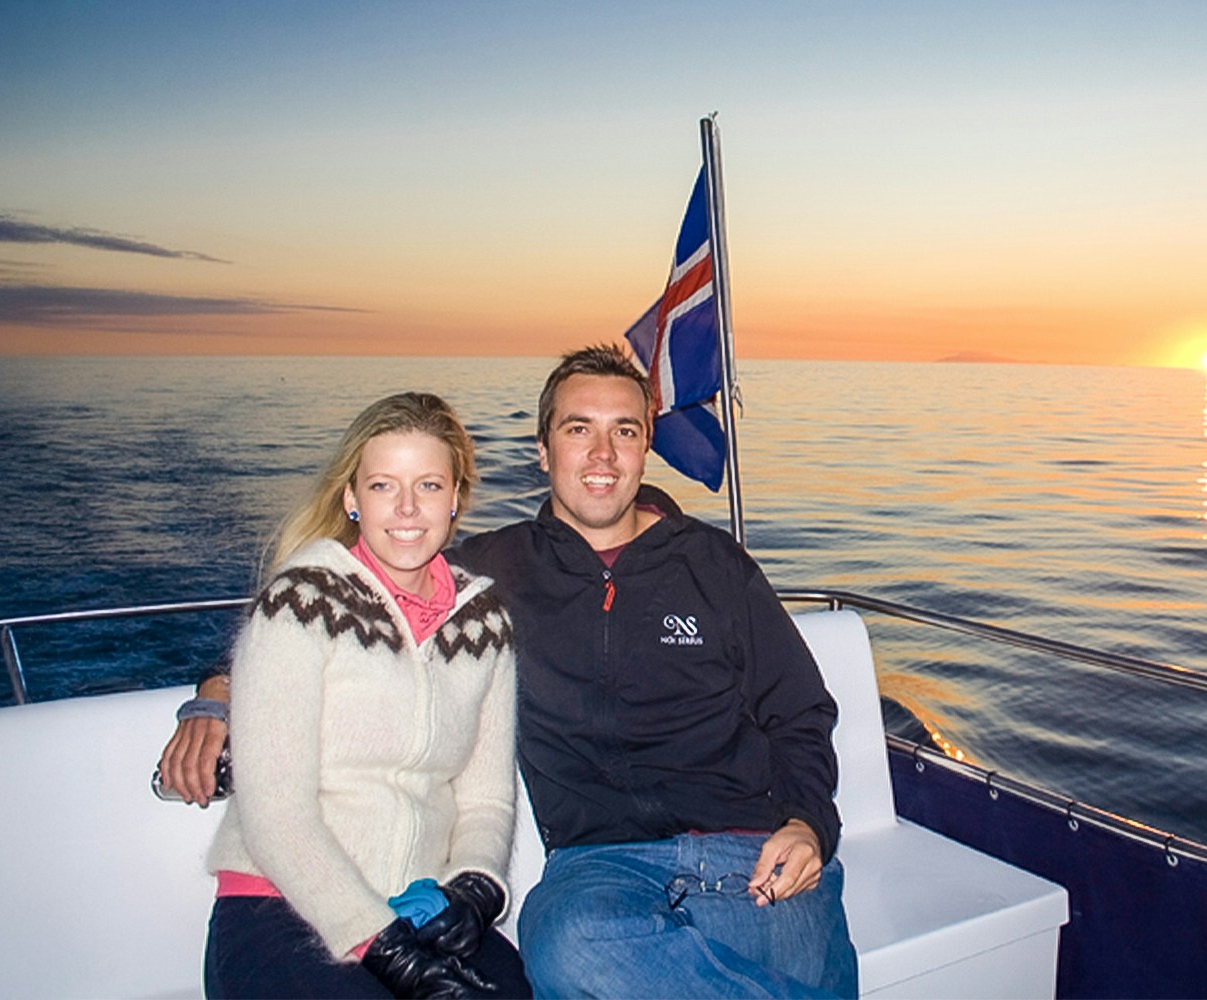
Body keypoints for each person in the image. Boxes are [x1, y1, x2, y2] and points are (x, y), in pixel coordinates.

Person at [161, 349, 858, 998]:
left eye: (625, 432)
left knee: (801, 959)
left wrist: (807, 824)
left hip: (754, 851)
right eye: (579, 429)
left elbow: (798, 711)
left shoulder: (717, 566)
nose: (602, 455)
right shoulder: (490, 580)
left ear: (647, 447)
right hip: (601, 871)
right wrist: (219, 689)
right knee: (568, 949)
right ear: (543, 449)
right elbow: (334, 599)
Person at [169, 392, 530, 999]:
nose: (408, 509)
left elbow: (486, 801)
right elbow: (275, 814)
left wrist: (475, 889)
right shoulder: (299, 604)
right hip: (283, 906)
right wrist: (389, 953)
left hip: (418, 905)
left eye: (430, 486)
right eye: (385, 486)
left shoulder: (485, 623)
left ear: (457, 499)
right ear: (352, 499)